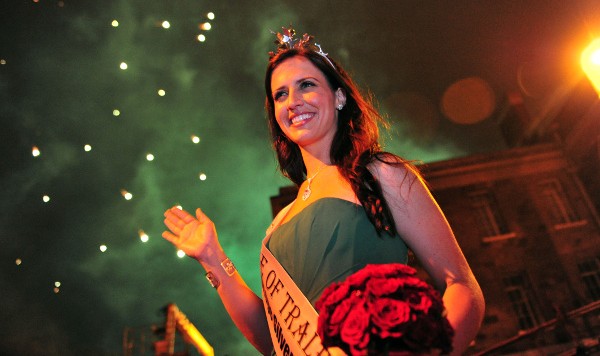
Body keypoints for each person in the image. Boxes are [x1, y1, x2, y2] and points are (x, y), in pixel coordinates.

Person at [162, 26, 484, 355]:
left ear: (339, 96)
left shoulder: (380, 174)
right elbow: (272, 341)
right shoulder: (278, 224)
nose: (293, 102)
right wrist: (212, 258)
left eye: (307, 86)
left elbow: (462, 287)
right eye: (281, 94)